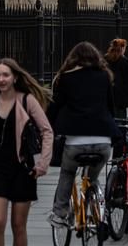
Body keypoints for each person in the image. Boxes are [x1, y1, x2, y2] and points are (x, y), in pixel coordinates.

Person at [47, 42, 117, 229]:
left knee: (68, 172)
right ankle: (96, 209)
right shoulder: (104, 76)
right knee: (92, 177)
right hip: (103, 141)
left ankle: (60, 213)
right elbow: (111, 107)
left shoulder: (65, 78)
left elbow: (55, 107)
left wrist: (48, 128)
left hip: (75, 141)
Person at [0, 58, 53, 246]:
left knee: (18, 225)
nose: (1, 79)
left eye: (5, 75)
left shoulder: (27, 100)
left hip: (23, 169)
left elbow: (47, 131)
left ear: (15, 77)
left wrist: (42, 164)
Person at [105, 39, 128, 120]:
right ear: (122, 48)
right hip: (121, 95)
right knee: (121, 119)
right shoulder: (124, 61)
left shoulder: (105, 59)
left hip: (108, 92)